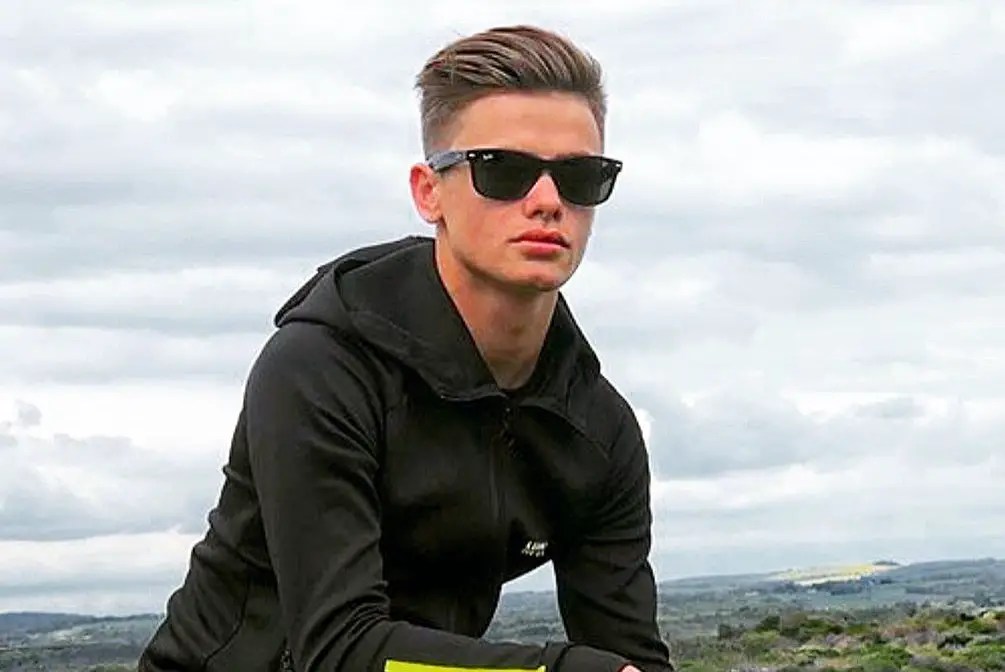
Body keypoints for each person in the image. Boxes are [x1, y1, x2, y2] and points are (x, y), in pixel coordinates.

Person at [140, 24, 673, 672]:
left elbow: (629, 654)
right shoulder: (319, 370)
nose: (546, 202)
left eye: (579, 176)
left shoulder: (596, 430)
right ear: (429, 191)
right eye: (502, 170)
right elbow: (338, 649)